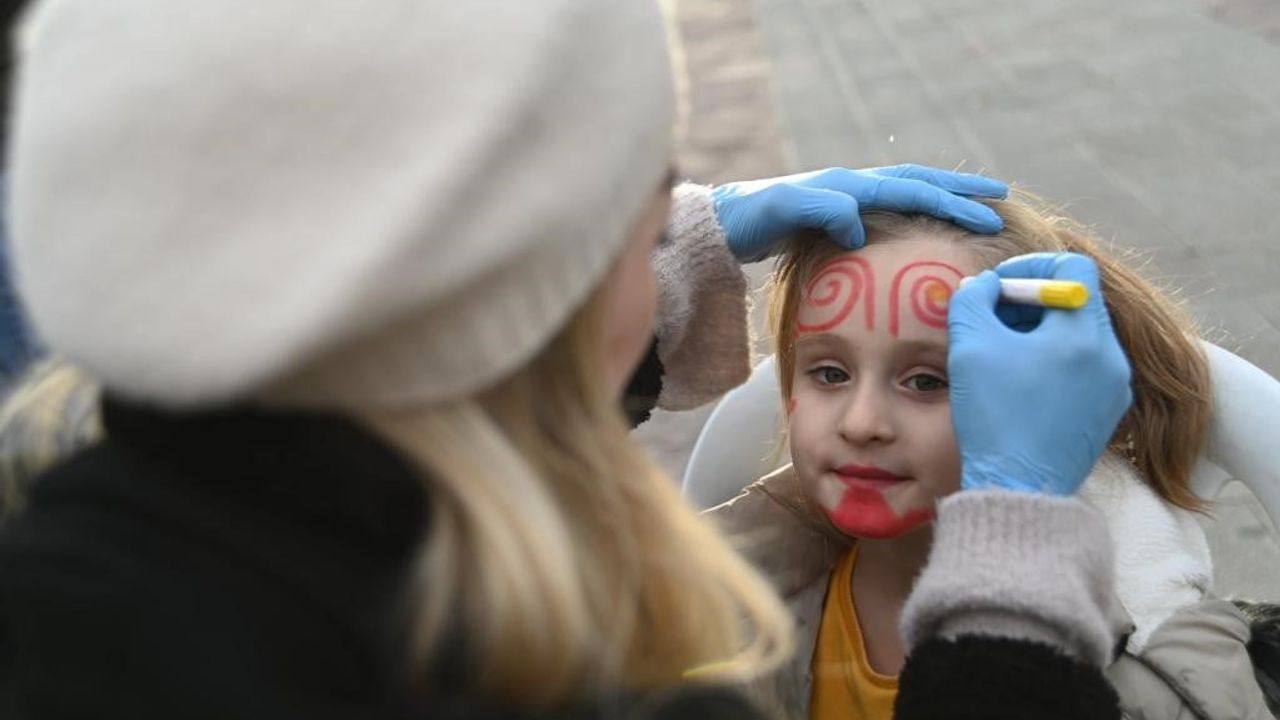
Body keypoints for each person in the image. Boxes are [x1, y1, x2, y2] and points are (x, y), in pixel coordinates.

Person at [0, 1, 1131, 718]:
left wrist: (631, 252)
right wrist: (1018, 553)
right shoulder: (560, 683)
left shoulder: (70, 579)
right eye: (648, 218)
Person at [706, 192, 1276, 718]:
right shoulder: (727, 592)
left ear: (1052, 403)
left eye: (928, 381)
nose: (861, 424)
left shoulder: (1158, 678)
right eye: (830, 372)